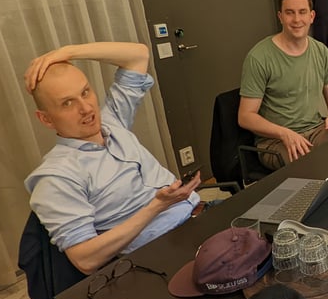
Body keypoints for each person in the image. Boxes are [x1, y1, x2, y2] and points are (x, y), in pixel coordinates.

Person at [24, 42, 202, 274]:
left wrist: (68, 52)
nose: (86, 108)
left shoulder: (112, 121)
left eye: (85, 92)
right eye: (68, 103)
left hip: (198, 215)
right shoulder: (56, 176)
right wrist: (157, 206)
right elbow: (85, 260)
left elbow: (138, 55)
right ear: (46, 119)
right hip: (160, 250)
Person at [239, 0, 328, 170]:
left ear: (311, 16)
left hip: (316, 131)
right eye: (290, 13)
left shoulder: (320, 51)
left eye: (302, 12)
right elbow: (245, 117)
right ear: (280, 17)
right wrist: (284, 133)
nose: (297, 19)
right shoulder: (259, 57)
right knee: (315, 169)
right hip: (276, 140)